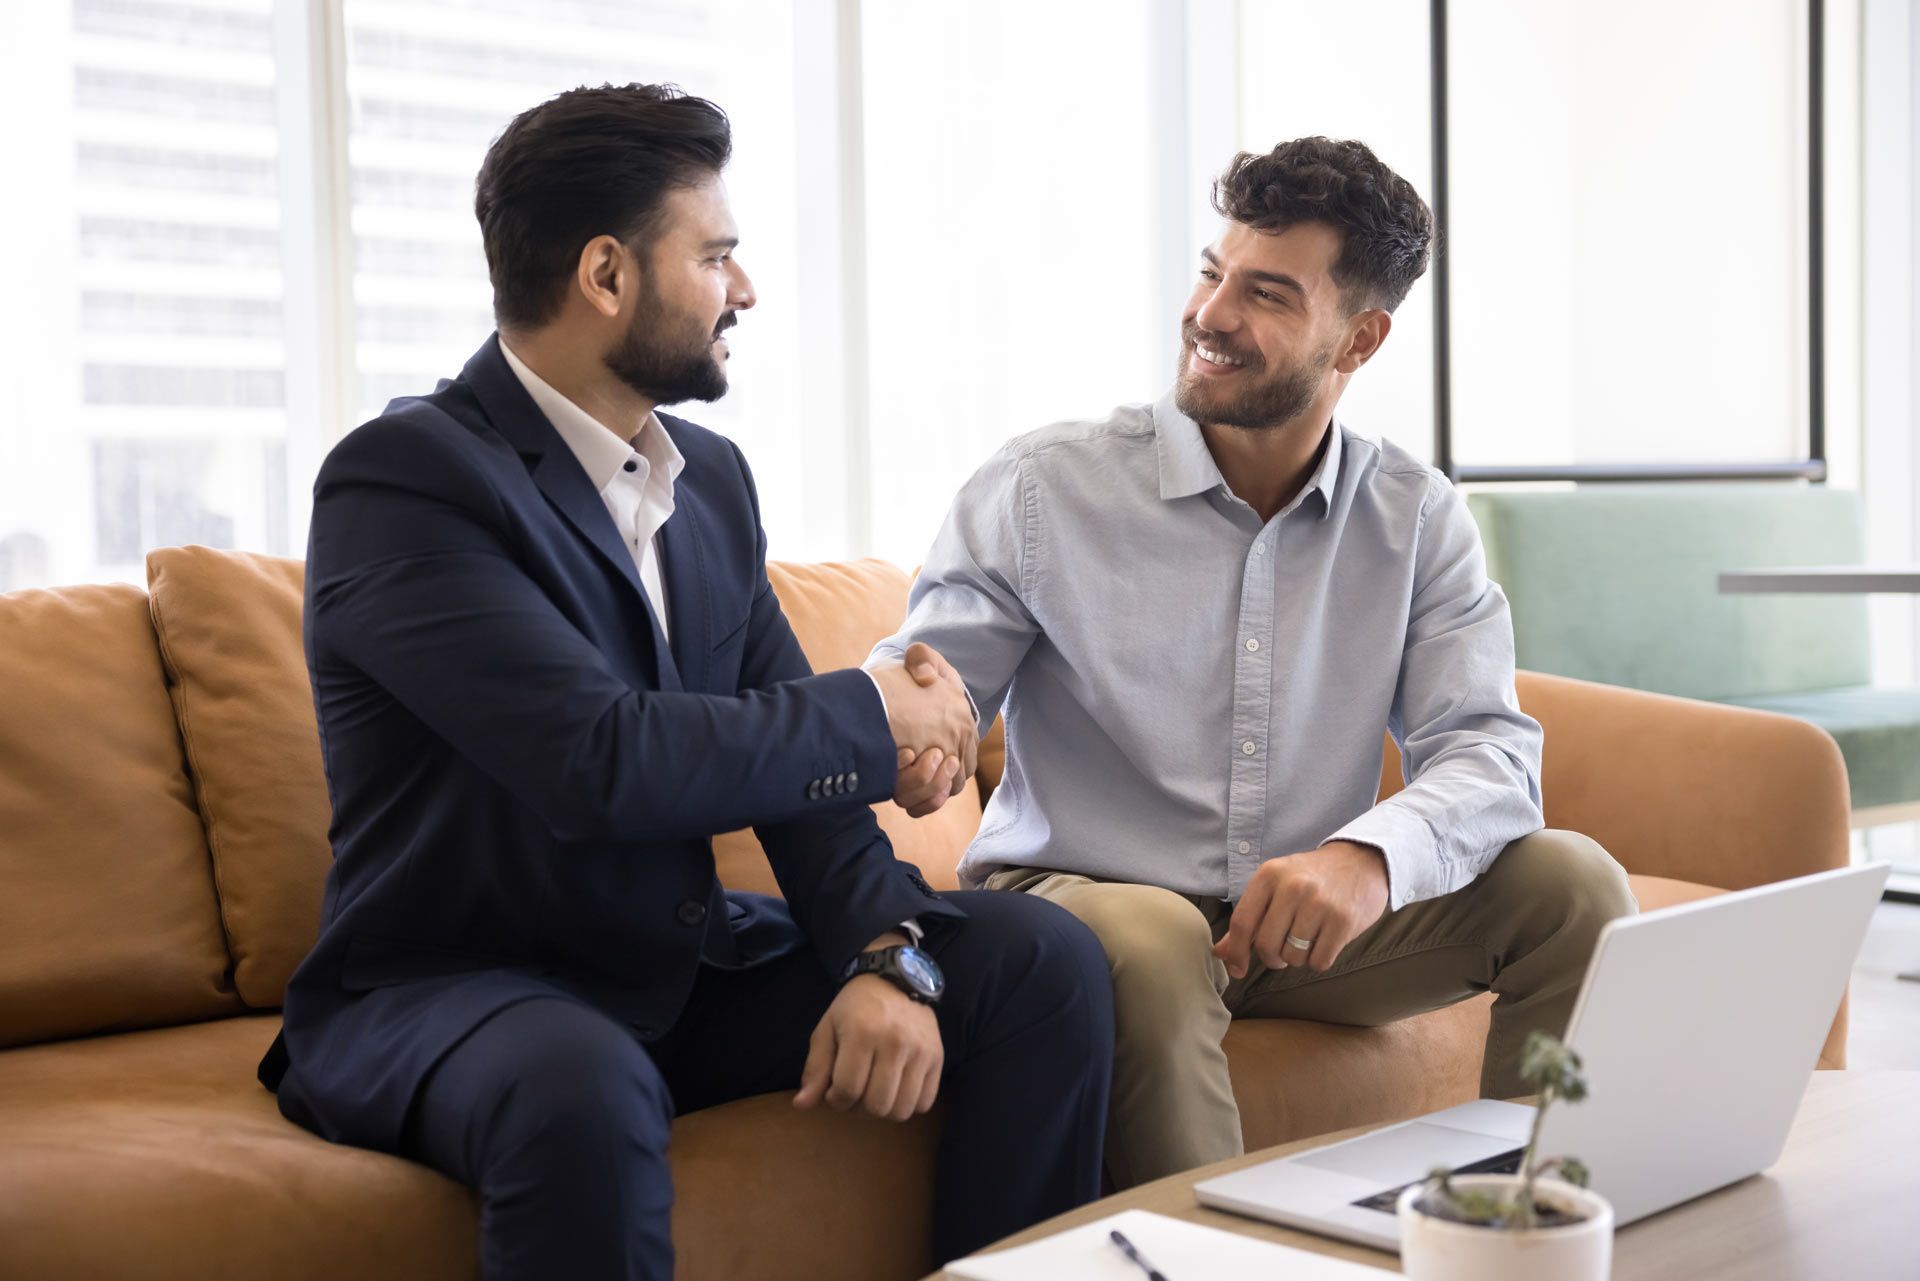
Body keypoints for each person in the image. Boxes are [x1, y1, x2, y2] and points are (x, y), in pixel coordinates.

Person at [260, 83, 1114, 1280]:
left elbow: (788, 771)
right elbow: (601, 761)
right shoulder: (405, 481)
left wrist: (883, 953)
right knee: (579, 1080)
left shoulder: (705, 480)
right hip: (454, 987)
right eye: (716, 256)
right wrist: (877, 712)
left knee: (1039, 963)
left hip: (673, 969)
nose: (745, 291)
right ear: (607, 274)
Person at [872, 136, 1636, 1190]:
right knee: (1150, 932)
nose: (1212, 314)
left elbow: (1493, 758)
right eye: (1211, 271)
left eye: (1266, 293)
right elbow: (920, 686)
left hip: (1285, 940)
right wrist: (919, 731)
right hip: (1090, 903)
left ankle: (1527, 1228)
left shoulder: (1415, 517)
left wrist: (1368, 860)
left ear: (1358, 339)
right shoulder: (1046, 488)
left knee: (1573, 885)